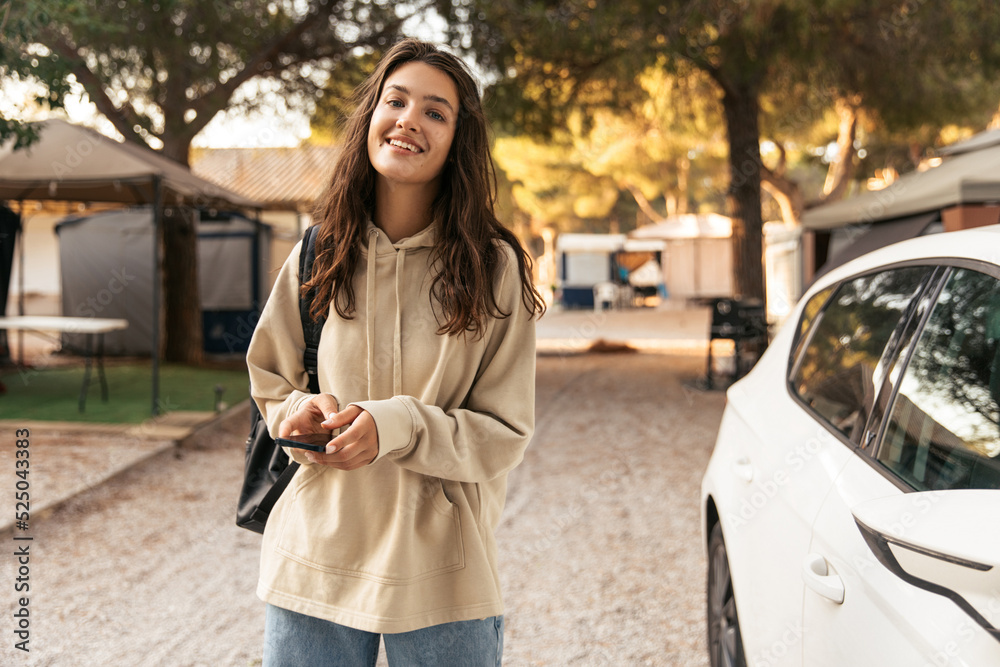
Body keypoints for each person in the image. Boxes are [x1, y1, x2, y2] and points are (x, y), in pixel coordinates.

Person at [247, 37, 546, 666]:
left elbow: (505, 433)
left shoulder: (495, 268)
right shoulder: (318, 251)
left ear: (458, 140)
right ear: (371, 119)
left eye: (436, 112)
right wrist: (294, 414)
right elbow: (270, 379)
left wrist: (399, 424)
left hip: (444, 575)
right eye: (397, 100)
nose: (410, 119)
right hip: (315, 565)